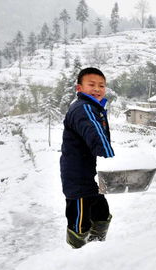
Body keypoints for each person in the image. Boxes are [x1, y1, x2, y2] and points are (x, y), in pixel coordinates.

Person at [60, 67, 115, 249]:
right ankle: (77, 254)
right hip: (77, 178)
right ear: (79, 88)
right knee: (80, 222)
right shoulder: (84, 108)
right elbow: (94, 131)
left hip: (86, 174)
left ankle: (96, 250)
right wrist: (108, 154)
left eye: (101, 85)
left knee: (101, 212)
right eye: (91, 85)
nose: (97, 89)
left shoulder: (92, 107)